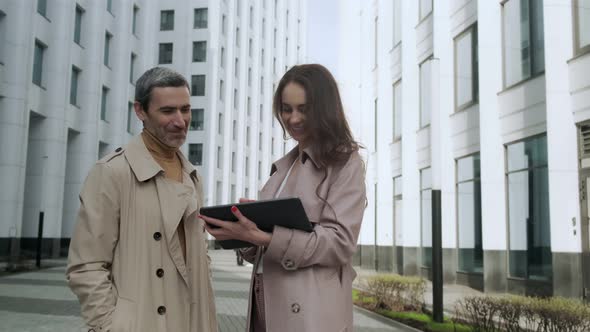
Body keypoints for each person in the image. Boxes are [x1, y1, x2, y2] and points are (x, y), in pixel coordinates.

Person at [201, 64, 367, 332]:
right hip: (265, 299)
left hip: (309, 310)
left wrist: (265, 237)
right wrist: (242, 233)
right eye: (286, 109)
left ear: (325, 108)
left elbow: (339, 243)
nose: (293, 118)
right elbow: (269, 243)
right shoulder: (283, 167)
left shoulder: (345, 162)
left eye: (304, 108)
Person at [66, 67, 217, 332]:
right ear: (140, 111)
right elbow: (86, 266)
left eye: (185, 109)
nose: (180, 121)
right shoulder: (112, 172)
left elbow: (198, 254)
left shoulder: (193, 177)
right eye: (168, 111)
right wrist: (111, 326)